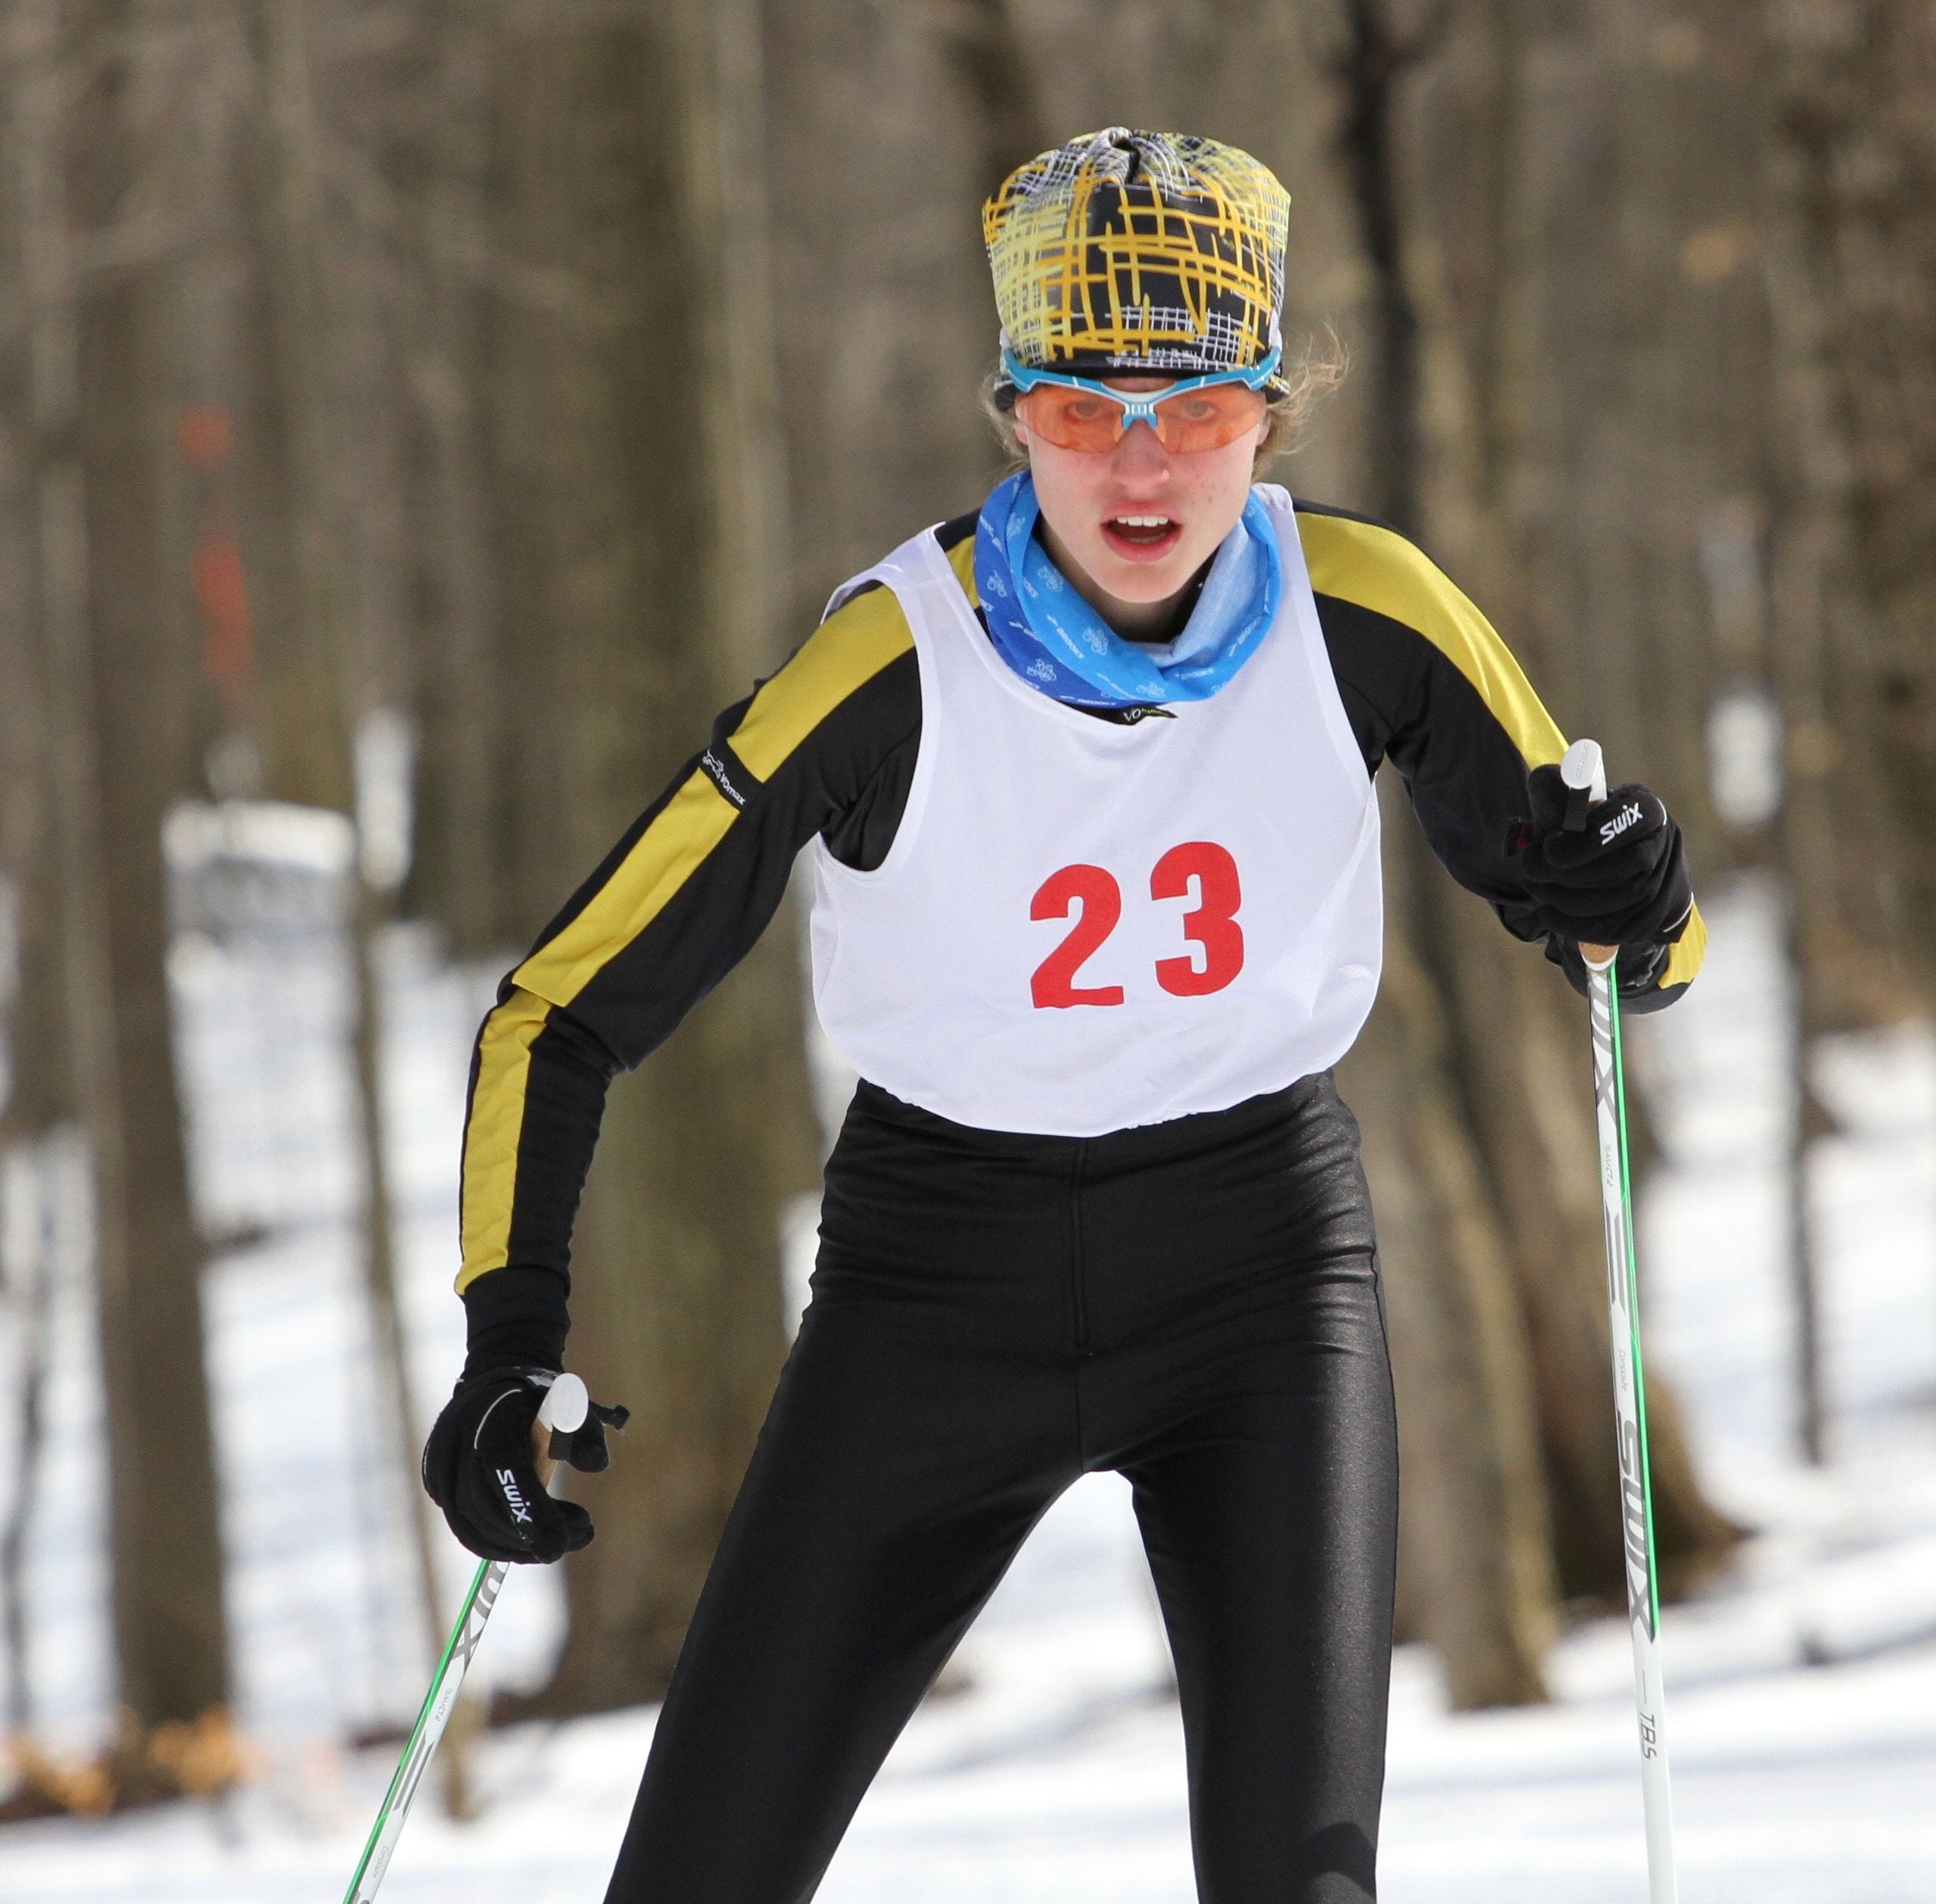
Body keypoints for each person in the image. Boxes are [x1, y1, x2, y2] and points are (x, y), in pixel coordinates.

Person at [422, 127, 1703, 1904]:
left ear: (1268, 409)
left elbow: (1622, 941)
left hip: (1262, 1281)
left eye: (1193, 402)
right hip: (934, 1286)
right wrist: (509, 1336)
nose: (1141, 458)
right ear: (1011, 407)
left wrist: (1635, 895)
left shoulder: (1373, 614)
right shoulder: (888, 663)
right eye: (1084, 402)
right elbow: (560, 1006)